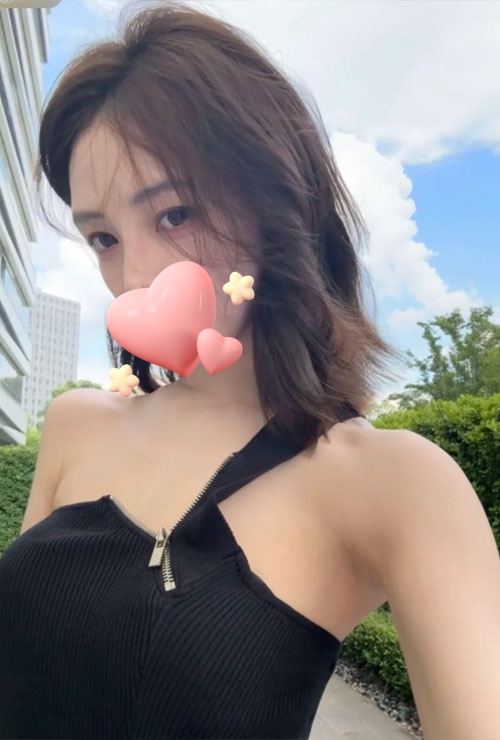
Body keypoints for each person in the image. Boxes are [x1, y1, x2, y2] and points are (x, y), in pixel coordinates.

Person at [1, 3, 499, 739]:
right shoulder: (76, 424)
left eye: (175, 214)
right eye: (103, 237)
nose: (135, 277)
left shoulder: (392, 482)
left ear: (277, 204)